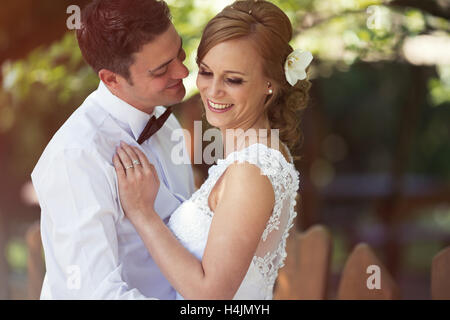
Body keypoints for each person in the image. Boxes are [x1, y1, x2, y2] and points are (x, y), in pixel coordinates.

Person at [114, 0, 312, 299]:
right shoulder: (254, 157)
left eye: (233, 79)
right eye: (206, 72)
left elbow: (211, 296)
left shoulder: (252, 171)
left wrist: (143, 214)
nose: (213, 90)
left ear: (270, 84)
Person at [30, 0, 195, 299]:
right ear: (111, 79)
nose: (183, 71)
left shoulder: (166, 123)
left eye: (180, 53)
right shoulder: (75, 157)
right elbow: (93, 294)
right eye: (161, 70)